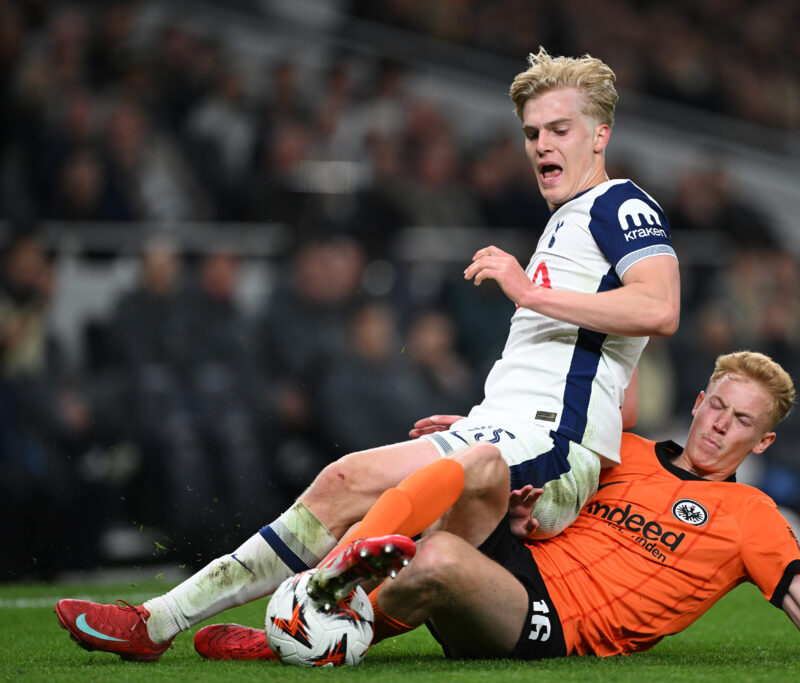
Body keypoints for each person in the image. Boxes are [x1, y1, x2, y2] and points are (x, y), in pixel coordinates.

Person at [54, 47, 679, 662]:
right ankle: (158, 622)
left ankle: (305, 612)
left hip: (551, 450)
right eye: (532, 132)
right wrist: (479, 420)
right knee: (343, 478)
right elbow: (593, 375)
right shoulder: (567, 221)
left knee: (427, 512)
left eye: (560, 130)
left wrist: (526, 292)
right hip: (508, 429)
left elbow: (660, 308)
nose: (542, 145)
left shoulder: (620, 205)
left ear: (600, 135)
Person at [193, 351, 800, 664]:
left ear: (761, 441)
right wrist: (463, 442)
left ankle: (304, 631)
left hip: (551, 622)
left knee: (439, 557)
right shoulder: (620, 448)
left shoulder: (754, 517)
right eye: (715, 406)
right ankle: (321, 608)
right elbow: (535, 466)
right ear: (696, 402)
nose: (718, 424)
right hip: (518, 559)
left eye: (740, 420)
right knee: (481, 466)